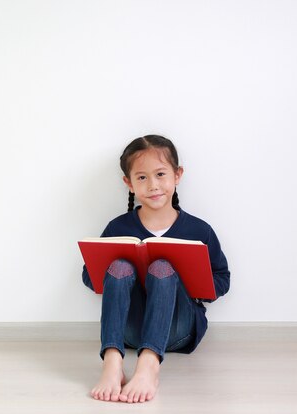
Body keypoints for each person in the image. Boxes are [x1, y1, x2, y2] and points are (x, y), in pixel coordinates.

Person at [82, 135, 230, 404]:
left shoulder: (199, 230)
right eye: (141, 178)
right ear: (128, 183)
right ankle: (112, 363)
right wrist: (107, 276)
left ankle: (149, 365)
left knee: (162, 267)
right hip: (130, 333)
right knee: (118, 265)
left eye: (161, 174)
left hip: (180, 329)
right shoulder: (118, 229)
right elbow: (89, 275)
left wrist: (199, 285)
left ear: (177, 175)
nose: (153, 185)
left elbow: (222, 278)